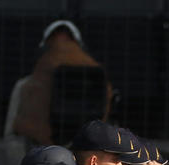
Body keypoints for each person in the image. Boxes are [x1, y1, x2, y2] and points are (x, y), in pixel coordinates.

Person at [10, 20, 112, 151]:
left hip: (43, 151)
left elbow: (22, 128)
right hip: (84, 151)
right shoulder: (97, 76)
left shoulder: (31, 81)